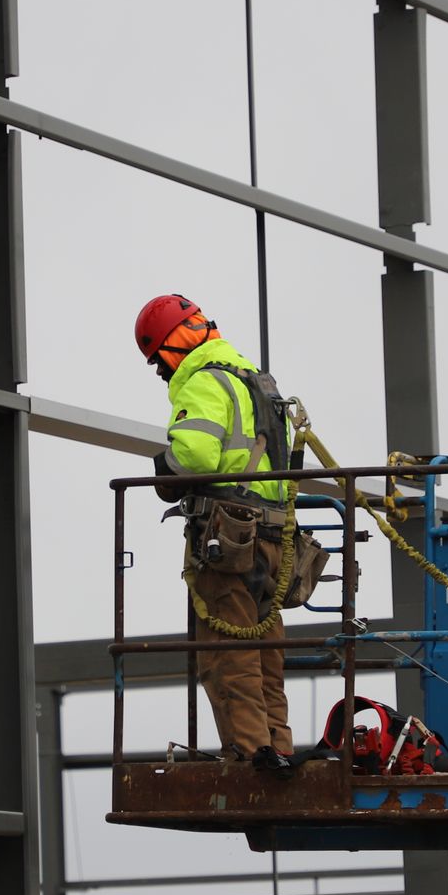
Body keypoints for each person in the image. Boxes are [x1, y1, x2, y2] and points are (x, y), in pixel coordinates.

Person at [134, 294, 295, 777]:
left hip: (229, 540)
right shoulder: (258, 382)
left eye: (158, 361)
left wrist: (164, 469)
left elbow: (196, 456)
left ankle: (250, 755)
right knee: (266, 654)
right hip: (274, 536)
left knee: (227, 653)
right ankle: (278, 747)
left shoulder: (204, 381)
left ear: (172, 346)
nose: (160, 373)